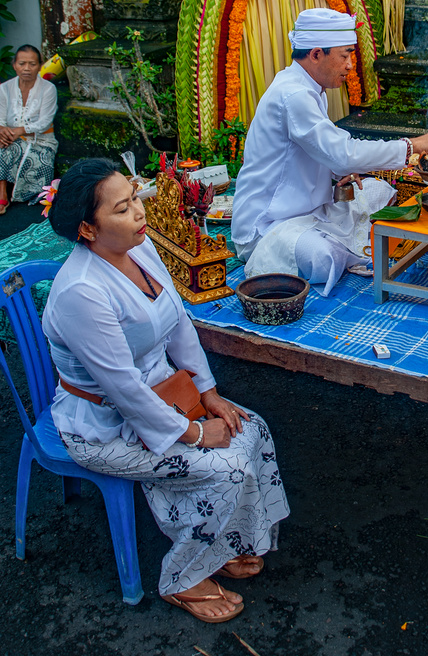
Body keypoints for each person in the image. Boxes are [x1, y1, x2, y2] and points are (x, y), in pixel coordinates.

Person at [42, 158, 289, 623]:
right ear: (88, 229)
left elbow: (178, 324)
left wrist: (208, 392)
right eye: (122, 208)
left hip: (164, 396)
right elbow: (123, 391)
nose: (139, 213)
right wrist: (194, 434)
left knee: (251, 428)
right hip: (103, 428)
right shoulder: (82, 292)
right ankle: (183, 576)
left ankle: (227, 542)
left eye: (135, 198)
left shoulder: (140, 247)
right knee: (226, 466)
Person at [231, 8, 428, 294]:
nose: (350, 65)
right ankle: (349, 254)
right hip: (268, 226)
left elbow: (321, 153)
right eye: (344, 56)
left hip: (310, 211)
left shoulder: (309, 88)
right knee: (323, 256)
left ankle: (349, 249)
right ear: (316, 54)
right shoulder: (294, 94)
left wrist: (337, 175)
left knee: (379, 191)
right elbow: (342, 153)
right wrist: (413, 145)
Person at [0, 44, 58, 214]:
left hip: (41, 141)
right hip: (10, 138)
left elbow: (44, 123)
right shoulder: (4, 89)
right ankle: (2, 191)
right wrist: (3, 131)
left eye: (32, 64)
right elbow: (1, 119)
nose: (26, 68)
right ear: (14, 65)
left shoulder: (48, 89)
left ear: (40, 65)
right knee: (5, 144)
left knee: (9, 146)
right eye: (22, 63)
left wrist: (18, 131)